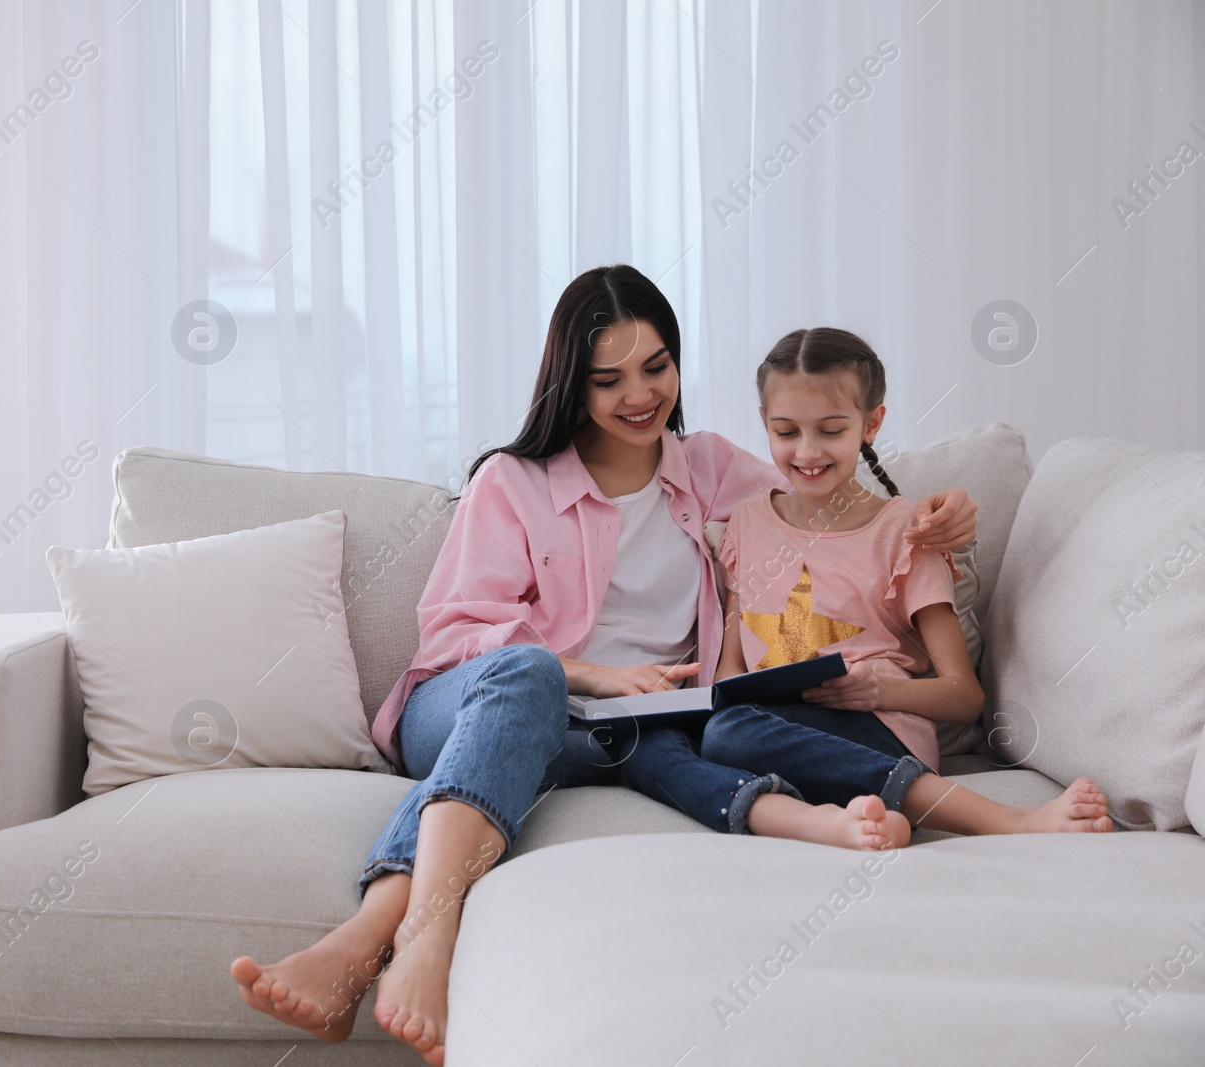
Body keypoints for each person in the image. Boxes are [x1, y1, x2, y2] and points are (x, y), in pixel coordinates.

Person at [229, 267, 981, 1065]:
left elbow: (831, 504)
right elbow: (453, 630)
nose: (640, 395)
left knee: (663, 740)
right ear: (570, 382)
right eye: (608, 377)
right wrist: (587, 672)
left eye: (657, 367)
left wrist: (946, 509)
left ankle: (355, 944)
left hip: (625, 730)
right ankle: (427, 933)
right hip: (479, 704)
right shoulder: (512, 483)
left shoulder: (710, 467)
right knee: (531, 677)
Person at [698, 325, 1113, 838]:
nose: (807, 452)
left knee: (729, 738)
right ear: (764, 422)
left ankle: (1008, 820)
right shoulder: (747, 524)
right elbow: (731, 668)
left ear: (871, 424)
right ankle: (865, 817)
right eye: (786, 432)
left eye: (830, 431)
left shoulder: (906, 533)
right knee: (720, 733)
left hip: (880, 730)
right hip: (779, 730)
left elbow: (964, 696)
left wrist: (881, 690)